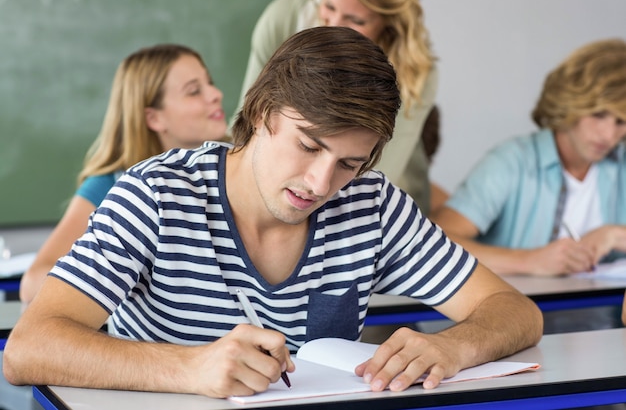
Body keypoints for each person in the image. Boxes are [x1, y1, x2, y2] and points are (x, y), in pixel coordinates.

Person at [3, 27, 542, 399]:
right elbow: (28, 348)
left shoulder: (371, 203)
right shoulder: (156, 194)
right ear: (261, 113)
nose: (321, 184)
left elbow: (516, 311)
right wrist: (189, 367)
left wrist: (452, 346)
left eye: (349, 163)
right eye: (308, 147)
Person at [19, 43, 228, 303]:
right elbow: (33, 283)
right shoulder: (110, 184)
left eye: (210, 83)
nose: (216, 94)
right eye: (194, 91)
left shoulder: (235, 170)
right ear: (154, 119)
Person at [431, 38, 626, 277]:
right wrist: (528, 261)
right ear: (572, 103)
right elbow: (435, 242)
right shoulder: (511, 161)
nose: (608, 135)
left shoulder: (621, 162)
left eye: (621, 121)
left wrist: (614, 235)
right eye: (598, 114)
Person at [237, 0, 440, 215]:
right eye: (329, 6)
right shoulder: (285, 18)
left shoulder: (415, 73)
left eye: (356, 20)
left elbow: (380, 176)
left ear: (389, 24)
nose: (334, 25)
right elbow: (247, 121)